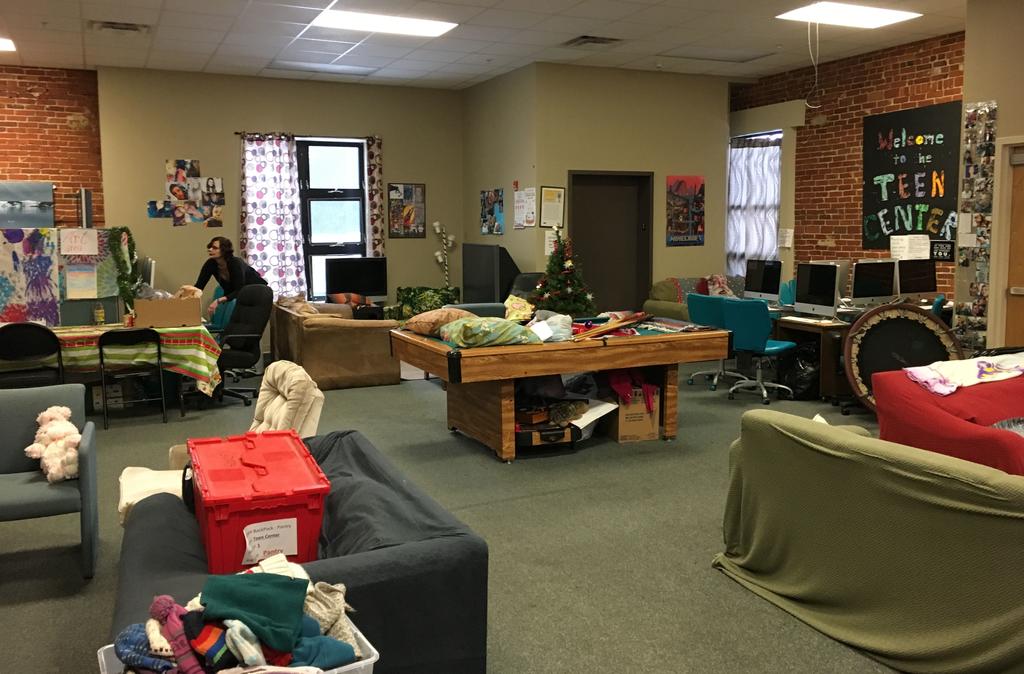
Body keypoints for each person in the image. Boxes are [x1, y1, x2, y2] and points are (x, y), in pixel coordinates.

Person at [194, 237, 267, 316]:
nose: (210, 249)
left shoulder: (235, 262)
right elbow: (199, 286)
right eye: (210, 247)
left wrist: (218, 301)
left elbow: (240, 289)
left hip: (258, 293)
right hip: (242, 297)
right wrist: (189, 293)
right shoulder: (210, 264)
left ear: (224, 250)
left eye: (214, 248)